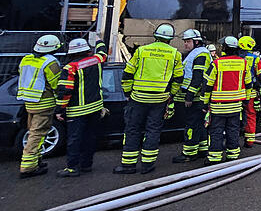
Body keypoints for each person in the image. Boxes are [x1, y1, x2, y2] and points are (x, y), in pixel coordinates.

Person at [114, 23, 183, 175]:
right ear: (170, 39)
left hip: (138, 98)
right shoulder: (175, 54)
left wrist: (128, 93)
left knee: (132, 130)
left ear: (156, 36)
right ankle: (147, 164)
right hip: (160, 99)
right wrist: (171, 95)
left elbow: (127, 74)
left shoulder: (141, 51)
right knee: (153, 131)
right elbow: (178, 78)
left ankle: (128, 165)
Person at [54, 38, 107, 177]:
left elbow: (66, 90)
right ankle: (86, 165)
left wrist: (60, 109)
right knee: (90, 137)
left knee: (74, 139)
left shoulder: (70, 67)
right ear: (87, 50)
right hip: (95, 107)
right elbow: (103, 52)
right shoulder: (97, 60)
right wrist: (99, 41)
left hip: (77, 110)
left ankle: (72, 168)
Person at [16, 34, 62, 178]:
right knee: (37, 134)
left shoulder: (26, 59)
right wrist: (61, 100)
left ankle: (36, 161)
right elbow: (56, 84)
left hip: (29, 102)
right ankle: (28, 167)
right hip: (44, 103)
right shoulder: (50, 62)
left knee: (33, 132)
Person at [202, 36, 252, 164]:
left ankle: (214, 158)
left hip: (218, 106)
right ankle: (233, 155)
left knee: (216, 132)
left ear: (224, 48)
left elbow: (207, 85)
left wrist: (204, 103)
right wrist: (246, 100)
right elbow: (248, 84)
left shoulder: (216, 64)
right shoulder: (243, 63)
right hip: (236, 106)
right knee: (233, 131)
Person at [171, 29, 211, 163]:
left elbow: (198, 77)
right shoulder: (195, 54)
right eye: (185, 41)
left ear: (196, 42)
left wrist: (189, 96)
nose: (185, 44)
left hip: (195, 97)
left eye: (188, 41)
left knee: (191, 125)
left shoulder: (200, 55)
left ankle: (189, 154)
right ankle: (202, 150)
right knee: (199, 124)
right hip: (195, 96)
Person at [238, 36, 261, 147]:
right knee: (250, 115)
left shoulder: (234, 57)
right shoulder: (255, 59)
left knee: (233, 117)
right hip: (250, 93)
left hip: (235, 93)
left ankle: (232, 141)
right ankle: (249, 141)